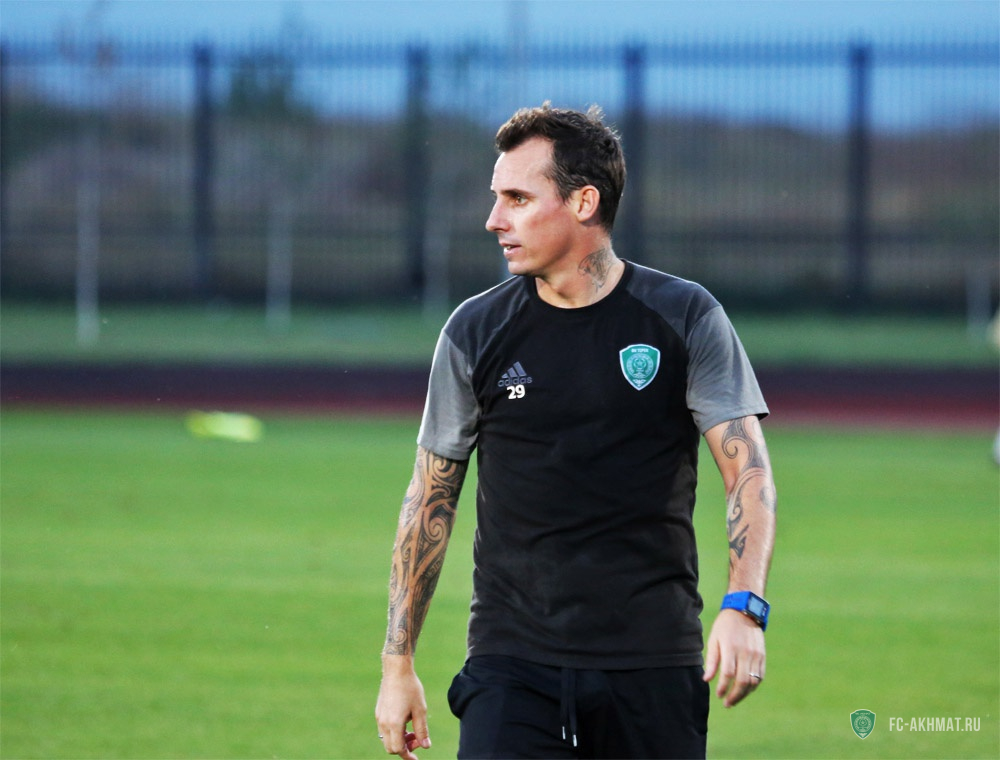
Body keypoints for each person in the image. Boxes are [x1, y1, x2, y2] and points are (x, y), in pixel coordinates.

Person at [375, 103, 777, 760]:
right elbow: (429, 499)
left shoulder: (684, 317)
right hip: (510, 666)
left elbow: (749, 474)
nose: (494, 219)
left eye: (517, 198)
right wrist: (398, 667)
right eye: (497, 198)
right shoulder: (474, 331)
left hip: (653, 666)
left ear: (583, 202)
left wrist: (744, 606)